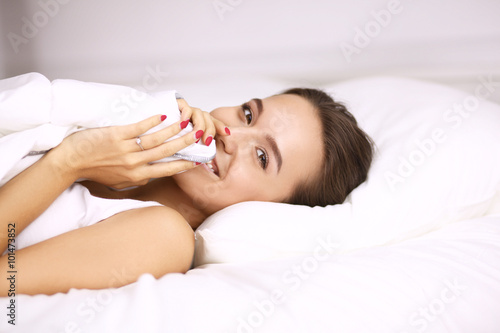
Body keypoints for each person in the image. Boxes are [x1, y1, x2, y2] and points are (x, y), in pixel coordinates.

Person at [0, 87, 373, 296]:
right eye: (247, 114)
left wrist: (70, 162)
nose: (230, 136)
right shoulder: (126, 129)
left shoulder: (163, 237)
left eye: (261, 157)